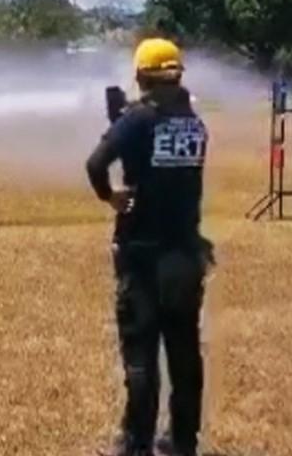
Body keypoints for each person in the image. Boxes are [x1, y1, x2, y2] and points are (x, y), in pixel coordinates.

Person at [85, 38, 211, 456]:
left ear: (141, 75)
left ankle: (136, 442)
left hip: (142, 251)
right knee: (184, 351)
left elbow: (96, 163)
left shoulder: (137, 120)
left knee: (140, 353)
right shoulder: (194, 123)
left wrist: (111, 196)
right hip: (186, 251)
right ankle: (183, 440)